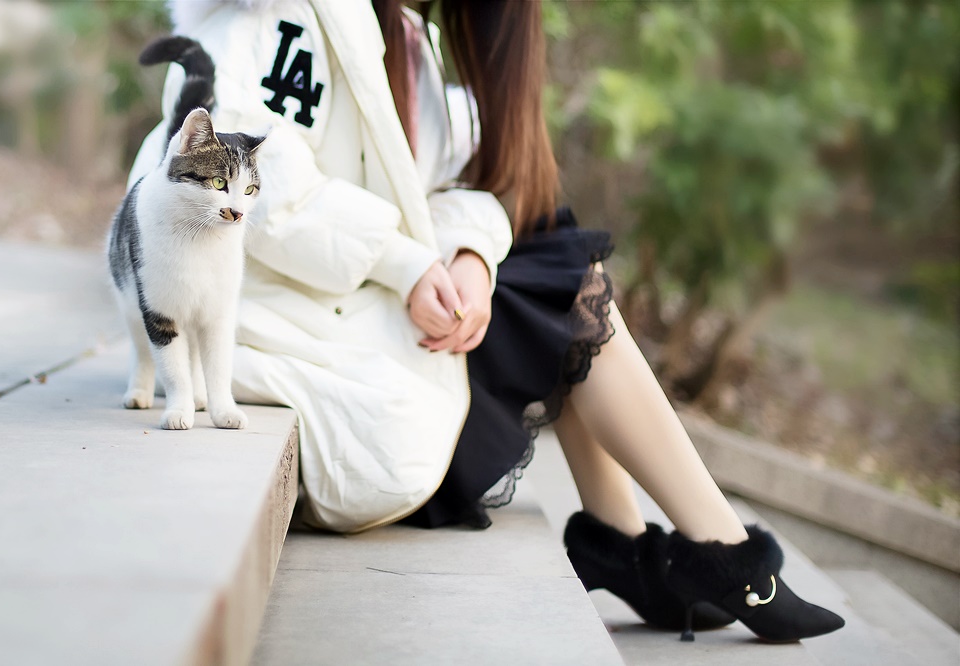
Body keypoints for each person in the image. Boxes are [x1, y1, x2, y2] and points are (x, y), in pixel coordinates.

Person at [132, 0, 844, 643]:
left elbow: (440, 191)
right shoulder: (285, 19)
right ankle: (708, 558)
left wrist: (470, 255)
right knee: (566, 278)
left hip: (349, 311)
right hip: (293, 332)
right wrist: (408, 264)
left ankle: (626, 542)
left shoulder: (409, 34)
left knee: (552, 250)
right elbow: (271, 196)